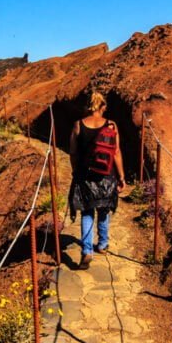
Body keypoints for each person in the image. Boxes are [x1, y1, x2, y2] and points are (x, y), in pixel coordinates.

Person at [68, 92, 126, 269]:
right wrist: (121, 176)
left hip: (85, 175)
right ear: (103, 107)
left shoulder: (78, 125)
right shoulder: (111, 125)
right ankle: (102, 244)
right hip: (107, 175)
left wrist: (75, 171)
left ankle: (86, 251)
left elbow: (73, 152)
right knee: (104, 208)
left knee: (87, 212)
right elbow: (116, 152)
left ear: (88, 106)